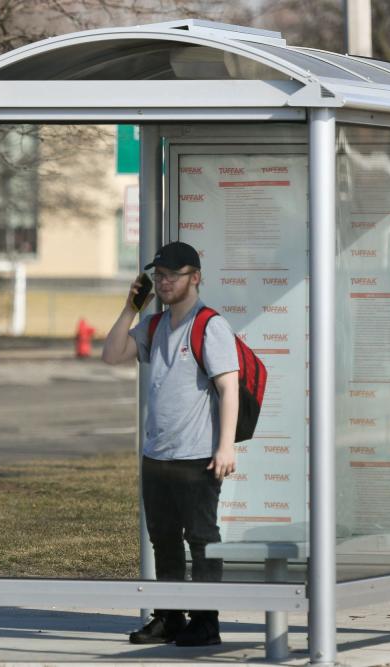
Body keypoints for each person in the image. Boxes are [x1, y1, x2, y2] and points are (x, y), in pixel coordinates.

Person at [102, 241, 239, 647]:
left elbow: (228, 388)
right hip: (157, 455)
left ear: (194, 278)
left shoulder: (209, 325)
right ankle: (169, 616)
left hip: (197, 456)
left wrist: (225, 447)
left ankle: (206, 620)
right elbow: (111, 354)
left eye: (172, 276)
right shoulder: (155, 325)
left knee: (201, 539)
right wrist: (132, 307)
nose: (163, 282)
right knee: (163, 539)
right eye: (158, 276)